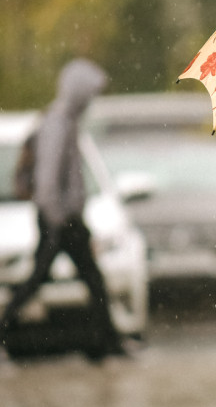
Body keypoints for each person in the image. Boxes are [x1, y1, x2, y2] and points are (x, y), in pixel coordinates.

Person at [0, 58, 126, 360]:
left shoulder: (65, 121)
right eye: (89, 93)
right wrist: (58, 220)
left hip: (65, 218)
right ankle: (104, 344)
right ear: (77, 92)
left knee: (89, 280)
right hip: (60, 220)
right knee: (49, 279)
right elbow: (48, 180)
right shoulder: (57, 123)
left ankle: (106, 343)